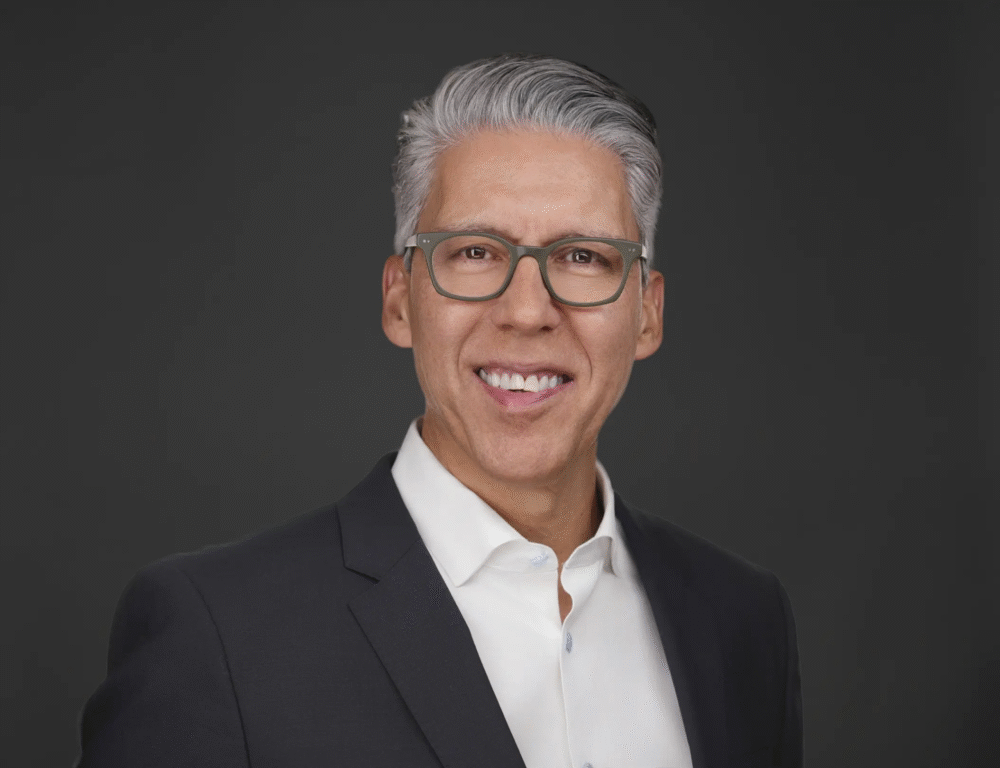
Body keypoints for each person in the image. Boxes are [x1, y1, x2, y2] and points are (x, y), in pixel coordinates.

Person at [78, 54, 802, 768]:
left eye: (583, 256)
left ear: (647, 313)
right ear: (400, 298)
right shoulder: (217, 634)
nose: (527, 311)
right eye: (476, 252)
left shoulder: (740, 620)